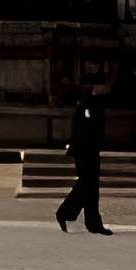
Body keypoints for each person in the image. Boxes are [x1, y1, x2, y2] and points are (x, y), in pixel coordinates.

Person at [55, 89, 111, 234]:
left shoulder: (94, 103)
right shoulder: (88, 104)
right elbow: (86, 129)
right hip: (85, 150)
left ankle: (87, 220)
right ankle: (67, 213)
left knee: (89, 185)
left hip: (89, 150)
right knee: (88, 184)